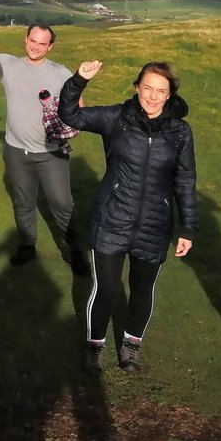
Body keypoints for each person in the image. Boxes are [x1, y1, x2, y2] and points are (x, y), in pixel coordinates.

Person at [57, 60, 197, 374]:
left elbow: (185, 180)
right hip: (112, 219)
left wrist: (187, 226)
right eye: (147, 88)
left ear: (170, 94)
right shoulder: (117, 118)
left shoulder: (179, 132)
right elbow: (69, 114)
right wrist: (79, 80)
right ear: (137, 87)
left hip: (154, 225)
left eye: (161, 90)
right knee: (105, 289)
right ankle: (94, 347)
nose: (153, 96)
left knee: (142, 290)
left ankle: (131, 346)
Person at [0, 18, 84, 270]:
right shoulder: (8, 64)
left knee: (62, 204)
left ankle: (75, 251)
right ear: (26, 40)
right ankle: (27, 245)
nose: (36, 47)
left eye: (43, 43)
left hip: (52, 152)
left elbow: (78, 107)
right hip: (17, 151)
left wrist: (71, 125)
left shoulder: (60, 72)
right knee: (23, 202)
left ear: (50, 47)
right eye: (33, 41)